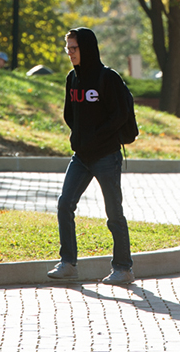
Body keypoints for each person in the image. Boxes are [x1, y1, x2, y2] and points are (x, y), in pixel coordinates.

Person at [47, 28, 135, 285]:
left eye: (74, 49)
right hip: (81, 156)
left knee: (113, 212)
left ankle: (123, 268)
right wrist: (80, 137)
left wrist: (96, 136)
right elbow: (68, 114)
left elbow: (119, 115)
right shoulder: (72, 79)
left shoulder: (108, 78)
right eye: (68, 49)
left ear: (86, 49)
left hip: (107, 156)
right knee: (65, 204)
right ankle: (68, 263)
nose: (70, 54)